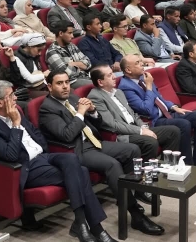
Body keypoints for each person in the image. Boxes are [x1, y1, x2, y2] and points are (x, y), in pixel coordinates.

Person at [0, 80, 112, 239]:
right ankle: (94, 228)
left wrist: (42, 149)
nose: (16, 98)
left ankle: (81, 223)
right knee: (81, 172)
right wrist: (15, 124)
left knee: (71, 159)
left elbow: (36, 133)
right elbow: (11, 155)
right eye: (11, 95)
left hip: (43, 157)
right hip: (26, 167)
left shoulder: (16, 110)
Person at [38, 70, 164, 237]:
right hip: (76, 150)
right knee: (112, 165)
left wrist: (92, 111)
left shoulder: (73, 98)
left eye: (67, 82)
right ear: (49, 86)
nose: (65, 86)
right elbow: (67, 135)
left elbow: (97, 122)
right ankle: (135, 214)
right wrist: (81, 113)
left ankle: (130, 196)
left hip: (94, 142)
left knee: (132, 150)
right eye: (59, 83)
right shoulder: (47, 109)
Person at [89, 62, 182, 163]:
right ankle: (146, 170)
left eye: (113, 73)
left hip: (135, 128)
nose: (114, 77)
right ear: (100, 82)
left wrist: (143, 127)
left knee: (173, 132)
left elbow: (133, 114)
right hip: (122, 134)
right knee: (150, 142)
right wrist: (140, 131)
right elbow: (113, 124)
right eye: (109, 75)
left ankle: (167, 167)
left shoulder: (118, 92)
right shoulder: (95, 97)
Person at [45, 21, 93, 89]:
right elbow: (67, 73)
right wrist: (81, 65)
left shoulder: (71, 46)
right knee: (96, 84)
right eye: (70, 33)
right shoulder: (52, 52)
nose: (72, 36)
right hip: (70, 82)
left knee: (104, 79)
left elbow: (88, 62)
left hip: (84, 76)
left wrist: (72, 64)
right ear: (61, 33)